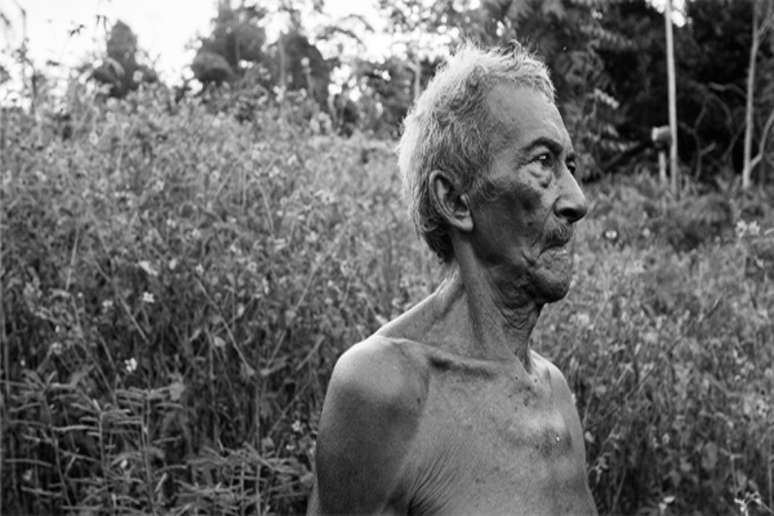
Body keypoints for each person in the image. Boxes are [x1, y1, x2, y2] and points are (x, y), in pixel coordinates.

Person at [307, 43, 597, 515]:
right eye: (543, 163)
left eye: (571, 166)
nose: (577, 200)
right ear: (456, 201)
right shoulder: (386, 388)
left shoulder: (554, 391)